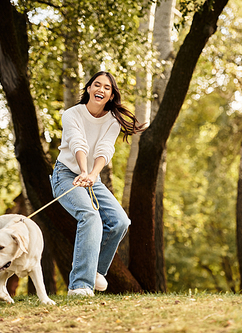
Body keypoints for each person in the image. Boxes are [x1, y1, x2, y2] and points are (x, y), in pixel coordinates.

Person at [51, 71, 145, 296]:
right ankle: (80, 285)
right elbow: (77, 142)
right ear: (89, 89)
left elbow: (105, 149)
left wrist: (92, 175)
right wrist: (83, 171)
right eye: (97, 85)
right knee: (90, 216)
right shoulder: (72, 114)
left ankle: (95, 270)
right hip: (65, 175)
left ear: (111, 95)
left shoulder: (112, 120)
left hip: (93, 178)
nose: (101, 90)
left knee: (120, 221)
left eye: (107, 88)